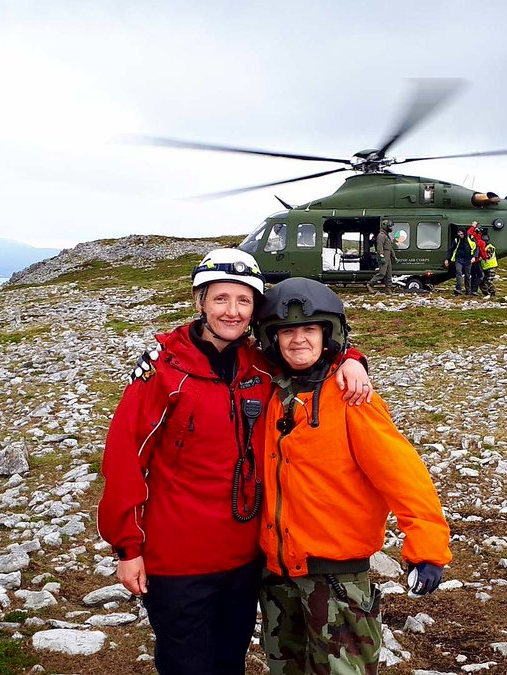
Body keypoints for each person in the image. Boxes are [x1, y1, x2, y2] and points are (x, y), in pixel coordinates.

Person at [97, 249, 372, 675]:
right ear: (199, 302)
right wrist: (127, 548)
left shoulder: (260, 366)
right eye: (221, 298)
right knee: (187, 664)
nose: (232, 311)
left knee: (230, 661)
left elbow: (309, 353)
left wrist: (352, 360)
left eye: (244, 301)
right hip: (177, 560)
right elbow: (124, 460)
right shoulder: (164, 372)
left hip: (244, 558)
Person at [253, 278, 453, 674]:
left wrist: (427, 547)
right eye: (287, 331)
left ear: (328, 334)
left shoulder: (353, 398)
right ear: (270, 339)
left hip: (338, 579)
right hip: (277, 578)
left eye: (309, 329)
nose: (298, 340)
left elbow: (402, 473)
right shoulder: (267, 392)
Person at [444, 226, 476, 295]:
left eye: (461, 234)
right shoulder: (456, 240)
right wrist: (447, 259)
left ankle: (468, 290)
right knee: (458, 272)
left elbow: (476, 248)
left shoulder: (470, 238)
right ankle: (458, 289)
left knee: (467, 275)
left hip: (468, 259)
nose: (460, 236)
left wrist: (474, 257)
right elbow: (451, 249)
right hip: (459, 259)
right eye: (459, 234)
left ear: (464, 233)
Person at [367, 221, 396, 292]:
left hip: (388, 256)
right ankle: (370, 284)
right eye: (389, 226)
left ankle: (388, 288)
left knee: (389, 274)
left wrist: (394, 256)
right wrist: (382, 256)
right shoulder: (381, 235)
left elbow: (390, 248)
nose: (391, 228)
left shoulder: (386, 236)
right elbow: (380, 247)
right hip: (383, 256)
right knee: (382, 273)